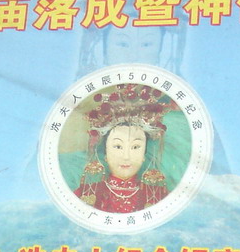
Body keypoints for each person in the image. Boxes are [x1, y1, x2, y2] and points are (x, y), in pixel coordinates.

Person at [74, 85, 173, 213]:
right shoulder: (85, 194)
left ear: (144, 154)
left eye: (135, 147)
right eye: (118, 146)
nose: (126, 156)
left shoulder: (160, 197)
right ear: (105, 152)